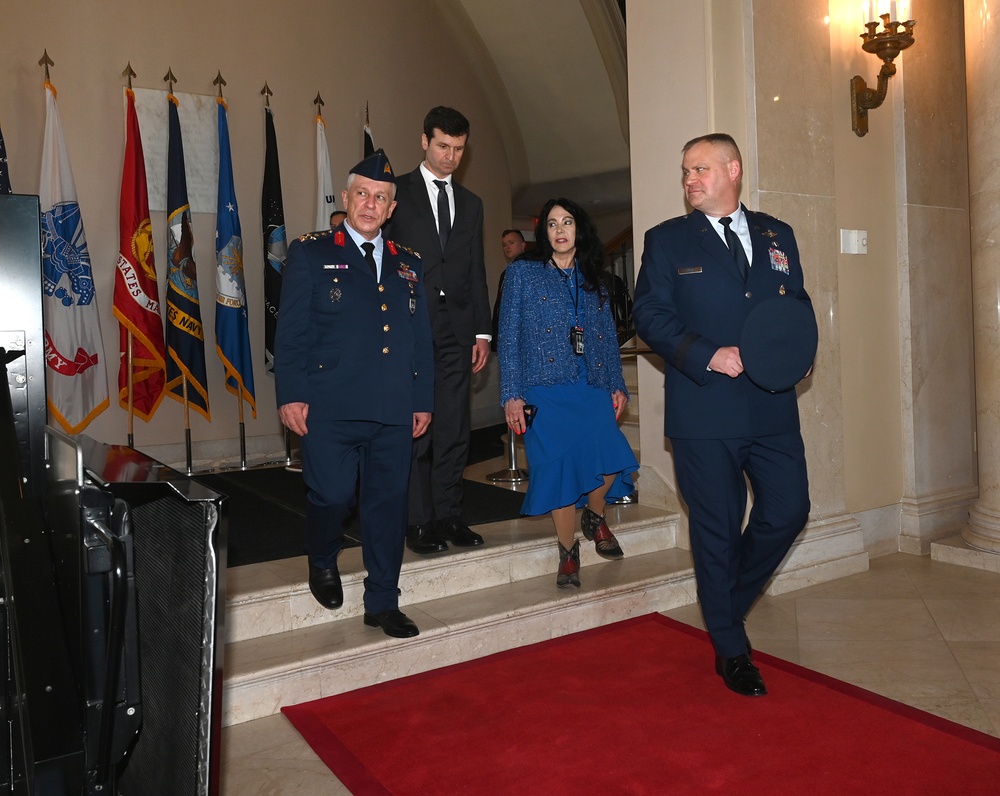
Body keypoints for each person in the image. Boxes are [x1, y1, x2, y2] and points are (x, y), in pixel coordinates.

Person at [632, 133, 814, 696]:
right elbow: (650, 317)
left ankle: (724, 605)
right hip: (705, 411)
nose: (690, 180)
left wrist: (794, 355)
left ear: (733, 169)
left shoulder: (776, 233)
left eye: (701, 169)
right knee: (716, 530)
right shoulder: (667, 242)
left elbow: (797, 306)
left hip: (771, 407)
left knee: (790, 510)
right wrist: (708, 354)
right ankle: (732, 650)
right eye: (686, 171)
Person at [274, 149, 434, 639]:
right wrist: (291, 393)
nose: (370, 204)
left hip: (391, 405)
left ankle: (383, 601)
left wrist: (422, 397)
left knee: (387, 504)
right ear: (346, 198)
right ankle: (322, 557)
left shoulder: (409, 263)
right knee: (333, 494)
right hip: (329, 404)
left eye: (380, 197)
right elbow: (292, 332)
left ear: (391, 209)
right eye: (362, 194)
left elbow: (419, 336)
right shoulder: (311, 251)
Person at [499, 197, 637, 588]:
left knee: (613, 457)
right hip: (542, 390)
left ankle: (594, 516)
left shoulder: (593, 278)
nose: (560, 230)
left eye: (568, 222)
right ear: (544, 232)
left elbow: (606, 337)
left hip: (589, 385)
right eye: (553, 224)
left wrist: (617, 383)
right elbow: (509, 339)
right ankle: (567, 550)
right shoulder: (522, 275)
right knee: (558, 471)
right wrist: (512, 394)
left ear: (580, 230)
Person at [387, 106, 492, 555]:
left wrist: (483, 332)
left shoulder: (471, 204)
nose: (450, 156)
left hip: (458, 332)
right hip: (412, 329)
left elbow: (475, 269)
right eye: (443, 146)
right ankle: (418, 522)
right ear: (424, 141)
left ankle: (450, 516)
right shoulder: (397, 194)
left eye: (458, 149)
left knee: (454, 429)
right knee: (417, 430)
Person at [491, 229, 527, 350]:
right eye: (504, 245)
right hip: (505, 334)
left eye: (511, 243)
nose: (507, 247)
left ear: (522, 245)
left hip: (522, 336)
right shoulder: (505, 274)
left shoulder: (530, 271)